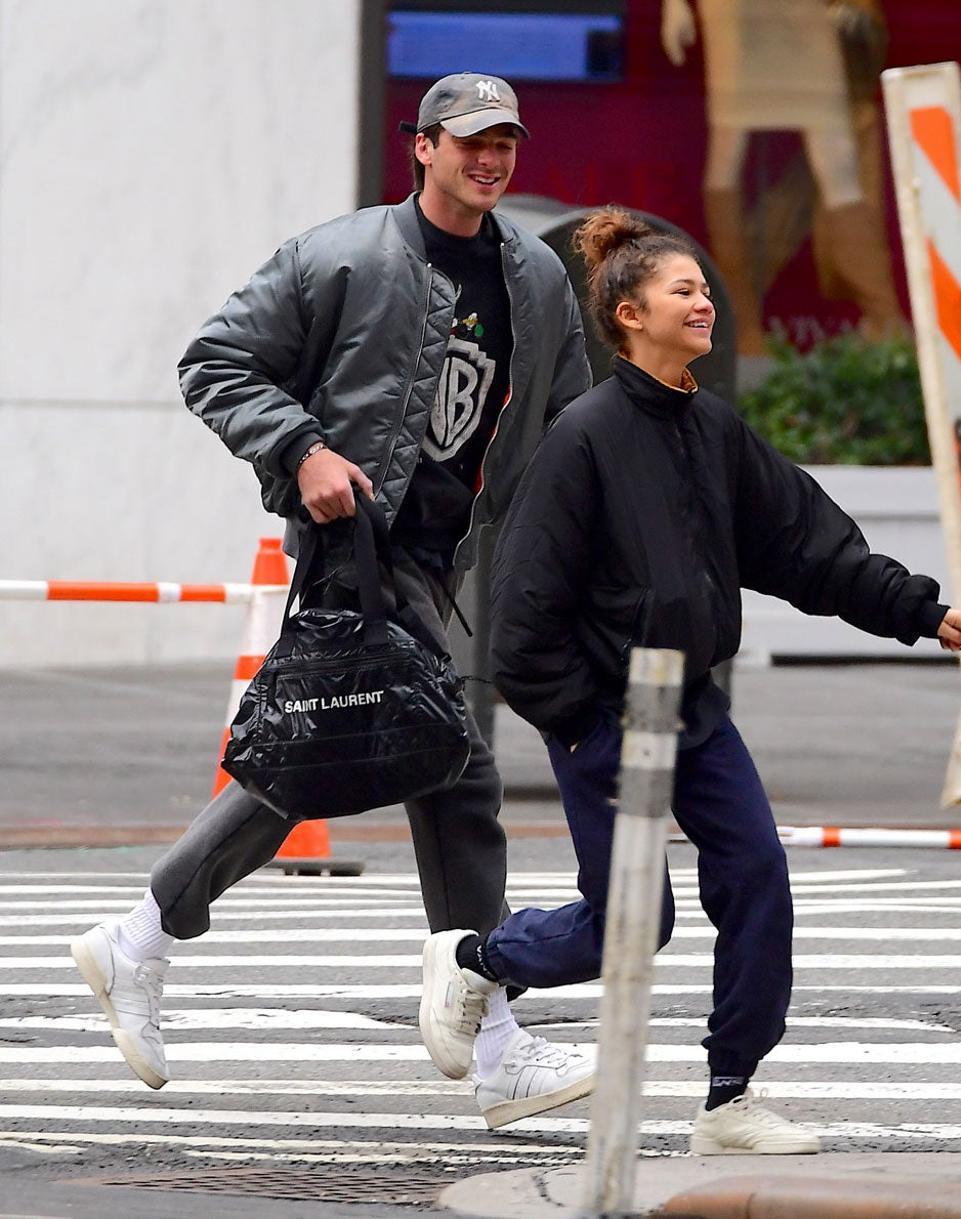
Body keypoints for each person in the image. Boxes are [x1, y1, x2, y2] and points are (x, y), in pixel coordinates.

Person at [68, 73, 595, 1130]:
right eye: (470, 142)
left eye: (506, 144)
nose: (491, 160)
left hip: (450, 562)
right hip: (359, 545)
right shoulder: (340, 255)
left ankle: (142, 933)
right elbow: (215, 362)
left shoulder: (535, 278)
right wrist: (302, 446)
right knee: (452, 764)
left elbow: (572, 419)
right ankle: (489, 1034)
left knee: (343, 752)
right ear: (423, 148)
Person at [417, 207, 961, 1153]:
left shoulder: (711, 430)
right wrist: (580, 721)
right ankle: (476, 959)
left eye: (705, 290)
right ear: (630, 313)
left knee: (758, 874)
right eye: (685, 289)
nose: (705, 300)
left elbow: (809, 545)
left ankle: (730, 1100)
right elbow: (521, 613)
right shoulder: (583, 439)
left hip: (695, 713)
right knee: (633, 923)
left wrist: (916, 610)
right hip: (609, 717)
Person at [661, 0, 905, 352]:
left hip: (805, 11)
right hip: (736, 13)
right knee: (728, 154)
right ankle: (743, 329)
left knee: (837, 158)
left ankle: (886, 319)